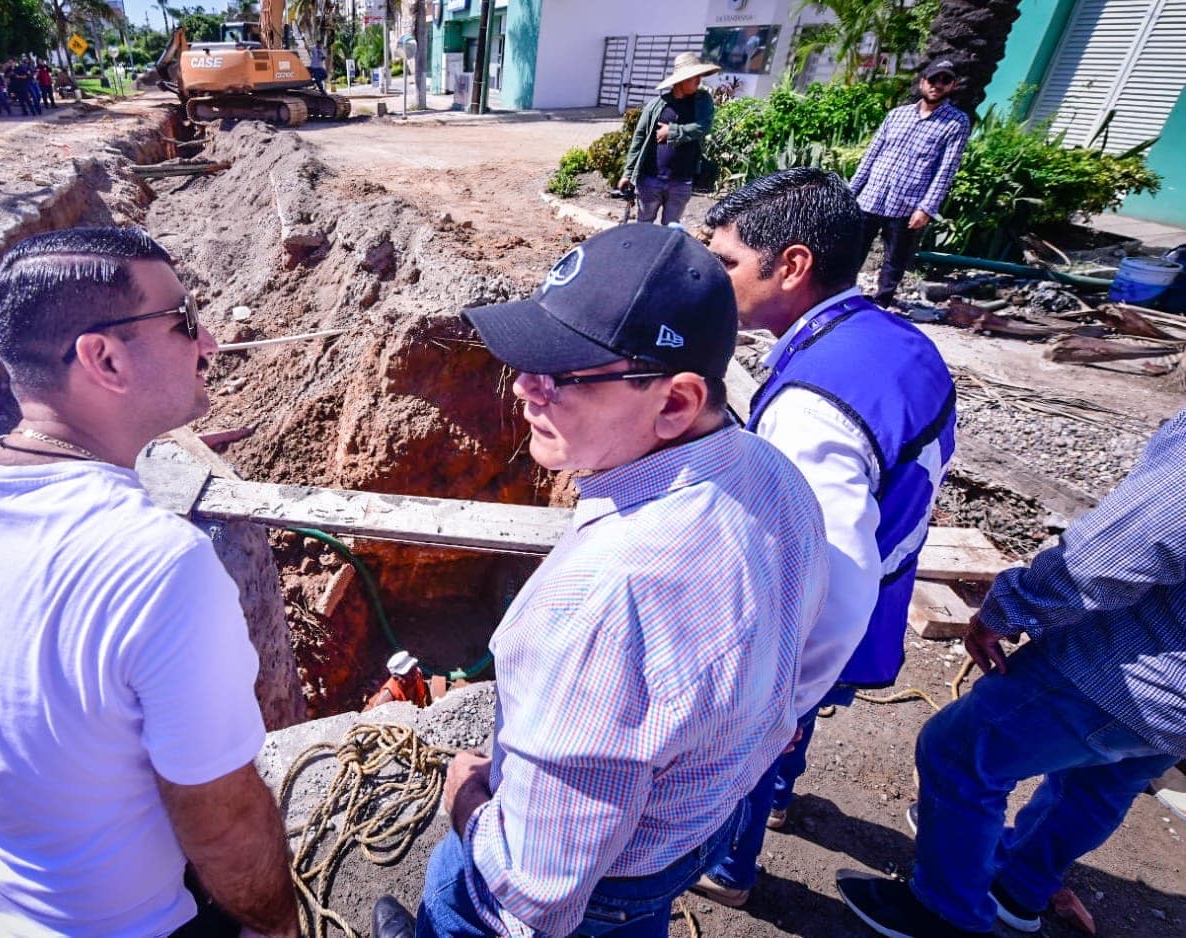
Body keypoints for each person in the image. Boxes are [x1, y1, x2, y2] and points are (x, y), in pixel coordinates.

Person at [380, 224, 830, 938]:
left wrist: (465, 799)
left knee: (458, 890)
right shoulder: (769, 473)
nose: (525, 388)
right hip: (691, 830)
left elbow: (535, 888)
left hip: (590, 887)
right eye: (527, 360)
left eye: (562, 373)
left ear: (676, 402)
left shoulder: (607, 593)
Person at [0, 227, 300, 938]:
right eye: (184, 321)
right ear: (103, 357)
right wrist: (278, 924)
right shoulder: (159, 562)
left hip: (0, 908)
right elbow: (220, 817)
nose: (210, 341)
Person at [695, 168, 957, 908]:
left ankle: (727, 866)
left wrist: (775, 703)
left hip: (831, 621)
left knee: (760, 730)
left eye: (727, 264)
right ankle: (778, 792)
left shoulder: (812, 409)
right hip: (885, 584)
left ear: (793, 265)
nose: (714, 281)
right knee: (790, 724)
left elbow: (832, 578)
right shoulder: (889, 339)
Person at [838, 407, 1186, 938]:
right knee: (1102, 781)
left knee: (957, 752)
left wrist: (1009, 608)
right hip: (1172, 704)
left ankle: (945, 914)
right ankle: (1018, 888)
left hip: (1127, 671)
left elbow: (1114, 552)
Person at [848, 59, 972, 307]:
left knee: (895, 259)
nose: (937, 85)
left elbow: (946, 170)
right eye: (933, 79)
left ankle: (881, 303)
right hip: (871, 196)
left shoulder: (956, 123)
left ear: (952, 85)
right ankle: (844, 298)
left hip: (907, 205)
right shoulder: (897, 115)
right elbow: (871, 155)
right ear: (922, 81)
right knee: (853, 252)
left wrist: (926, 208)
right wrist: (851, 192)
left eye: (945, 80)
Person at [617, 52, 719, 226]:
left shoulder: (702, 102)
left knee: (671, 228)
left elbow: (704, 127)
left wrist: (672, 131)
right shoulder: (656, 105)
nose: (698, 81)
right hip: (650, 179)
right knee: (644, 225)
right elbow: (639, 139)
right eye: (694, 77)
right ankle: (644, 254)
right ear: (681, 80)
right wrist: (628, 173)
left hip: (681, 181)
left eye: (699, 77)